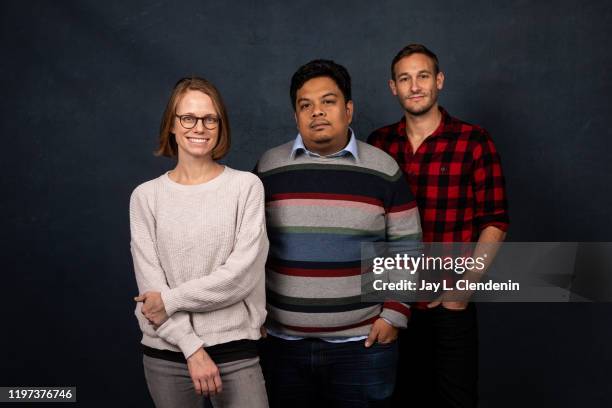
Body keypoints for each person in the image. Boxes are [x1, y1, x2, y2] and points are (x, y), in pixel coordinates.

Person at [255, 60, 422, 407]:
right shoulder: (268, 168)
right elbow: (246, 248)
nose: (317, 112)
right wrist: (251, 314)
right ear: (295, 116)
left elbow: (406, 246)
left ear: (348, 110)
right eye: (305, 105)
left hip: (362, 346)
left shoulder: (383, 168)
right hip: (281, 345)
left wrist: (394, 313)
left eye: (328, 101)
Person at [367, 44, 510, 407]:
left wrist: (462, 291)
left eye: (423, 76)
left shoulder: (473, 141)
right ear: (392, 87)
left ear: (439, 81)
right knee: (395, 399)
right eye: (405, 78)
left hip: (450, 305)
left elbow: (495, 221)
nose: (415, 86)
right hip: (392, 306)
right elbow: (366, 224)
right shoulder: (379, 145)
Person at [130, 77, 269, 408]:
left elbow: (241, 277)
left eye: (210, 118)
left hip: (235, 348)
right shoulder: (146, 197)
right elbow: (150, 286)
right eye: (188, 118)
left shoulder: (246, 187)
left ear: (220, 126)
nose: (200, 127)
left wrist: (169, 299)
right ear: (172, 126)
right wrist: (192, 348)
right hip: (167, 352)